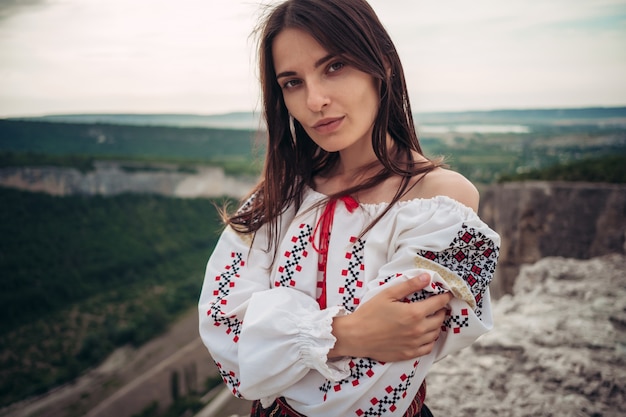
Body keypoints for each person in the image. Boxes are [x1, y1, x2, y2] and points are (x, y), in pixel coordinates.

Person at [198, 0, 500, 416]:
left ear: (382, 65)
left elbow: (387, 365)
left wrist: (276, 340)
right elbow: (224, 335)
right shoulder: (278, 196)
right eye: (292, 82)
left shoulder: (444, 202)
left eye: (334, 66)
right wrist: (348, 333)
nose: (314, 99)